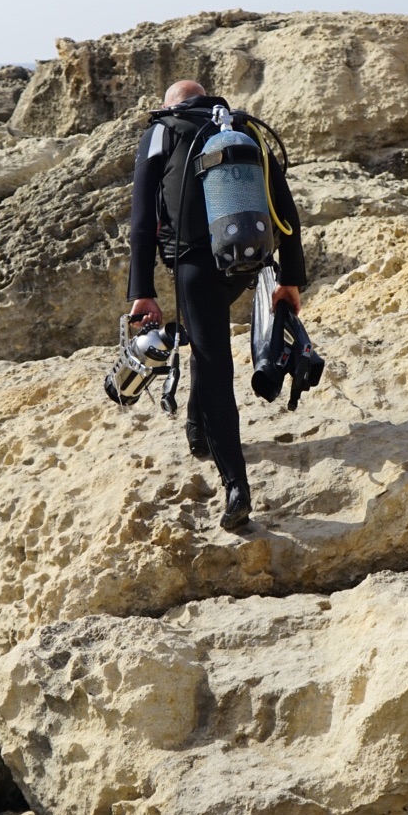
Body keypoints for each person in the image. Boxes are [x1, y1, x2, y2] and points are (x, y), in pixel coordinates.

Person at [127, 80, 308, 529]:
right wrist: (290, 280)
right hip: (246, 262)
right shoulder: (243, 128)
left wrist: (141, 290)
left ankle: (236, 486)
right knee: (202, 338)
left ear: (172, 106)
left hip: (194, 263)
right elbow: (286, 211)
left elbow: (142, 222)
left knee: (213, 362)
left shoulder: (161, 130)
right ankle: (197, 433)